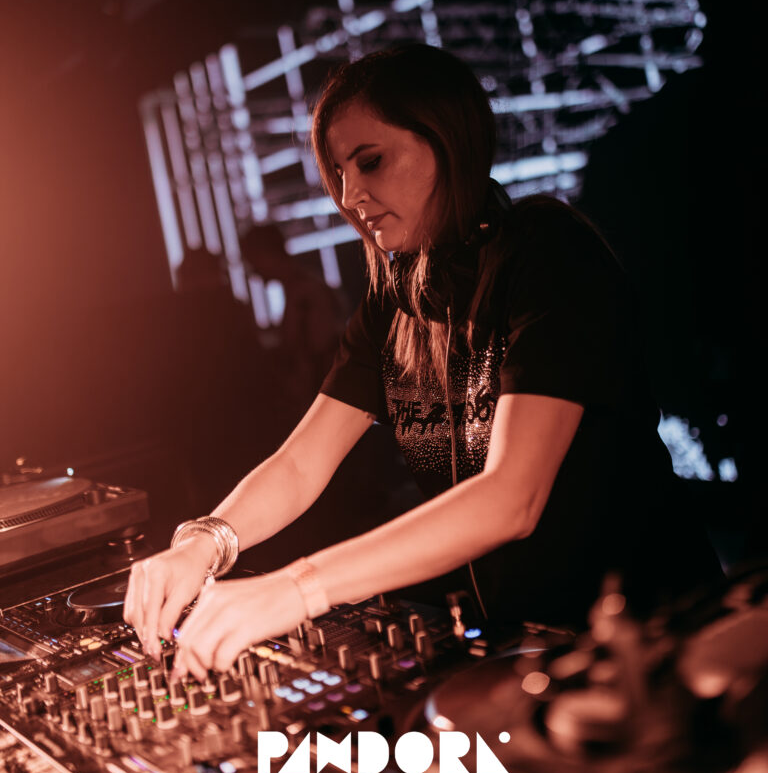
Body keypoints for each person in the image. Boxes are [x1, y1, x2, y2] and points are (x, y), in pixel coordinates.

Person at [124, 42, 722, 681]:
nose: (350, 194)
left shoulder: (548, 253)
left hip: (655, 645)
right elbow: (300, 464)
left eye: (371, 161)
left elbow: (512, 498)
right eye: (338, 172)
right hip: (525, 654)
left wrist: (299, 589)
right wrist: (206, 541)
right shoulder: (394, 299)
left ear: (447, 142)